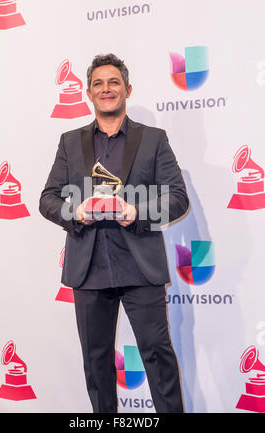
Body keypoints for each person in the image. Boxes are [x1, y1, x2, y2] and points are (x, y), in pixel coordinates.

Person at [39, 53, 189, 413]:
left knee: (158, 357)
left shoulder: (153, 139)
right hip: (88, 270)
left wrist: (137, 211)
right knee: (96, 364)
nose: (106, 89)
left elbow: (177, 198)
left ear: (127, 89)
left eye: (114, 82)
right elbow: (47, 199)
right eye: (98, 84)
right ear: (89, 93)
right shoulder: (69, 141)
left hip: (140, 269)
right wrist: (75, 211)